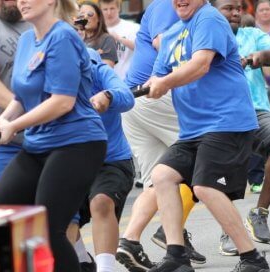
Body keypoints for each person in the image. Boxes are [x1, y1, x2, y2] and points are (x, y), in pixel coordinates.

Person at [145, 0, 270, 270]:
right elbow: (156, 79)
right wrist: (116, 95)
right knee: (162, 176)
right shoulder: (171, 34)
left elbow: (201, 64)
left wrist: (164, 82)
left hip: (226, 122)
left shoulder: (209, 19)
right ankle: (176, 256)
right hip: (193, 129)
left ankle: (252, 258)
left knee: (205, 187)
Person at [0, 0, 108, 271]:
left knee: (49, 227)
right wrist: (5, 118)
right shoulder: (27, 40)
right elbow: (22, 94)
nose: (22, 1)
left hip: (77, 143)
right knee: (2, 212)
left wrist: (15, 125)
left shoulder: (63, 37)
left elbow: (63, 101)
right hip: (38, 144)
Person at [116, 0, 207, 270]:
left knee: (160, 177)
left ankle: (130, 239)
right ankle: (174, 234)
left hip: (138, 100)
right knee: (207, 158)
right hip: (154, 95)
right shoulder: (168, 4)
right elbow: (164, 43)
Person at [210, 0, 270, 256]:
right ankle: (228, 231)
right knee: (215, 174)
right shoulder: (202, 37)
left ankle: (259, 213)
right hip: (217, 117)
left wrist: (264, 56)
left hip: (255, 112)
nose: (236, 12)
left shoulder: (251, 34)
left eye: (239, 8)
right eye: (229, 8)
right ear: (213, 11)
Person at [69, 48, 135, 272]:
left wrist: (108, 96)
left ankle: (105, 269)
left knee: (101, 201)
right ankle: (83, 261)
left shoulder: (98, 70)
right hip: (71, 161)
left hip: (112, 160)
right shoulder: (52, 79)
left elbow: (126, 96)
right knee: (62, 215)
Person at [0, 0, 32, 187]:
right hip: (4, 144)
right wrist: (33, 112)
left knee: (57, 214)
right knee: (6, 212)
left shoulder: (39, 18)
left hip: (50, 140)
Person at [100, 0, 140, 80]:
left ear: (119, 8)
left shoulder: (133, 28)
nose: (109, 13)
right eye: (105, 9)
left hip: (128, 80)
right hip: (104, 81)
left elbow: (142, 49)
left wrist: (119, 39)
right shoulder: (97, 30)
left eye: (112, 8)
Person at [80, 1, 118, 67]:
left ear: (99, 18)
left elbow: (106, 70)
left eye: (90, 14)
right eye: (82, 14)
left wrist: (91, 55)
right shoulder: (75, 39)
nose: (85, 17)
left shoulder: (107, 39)